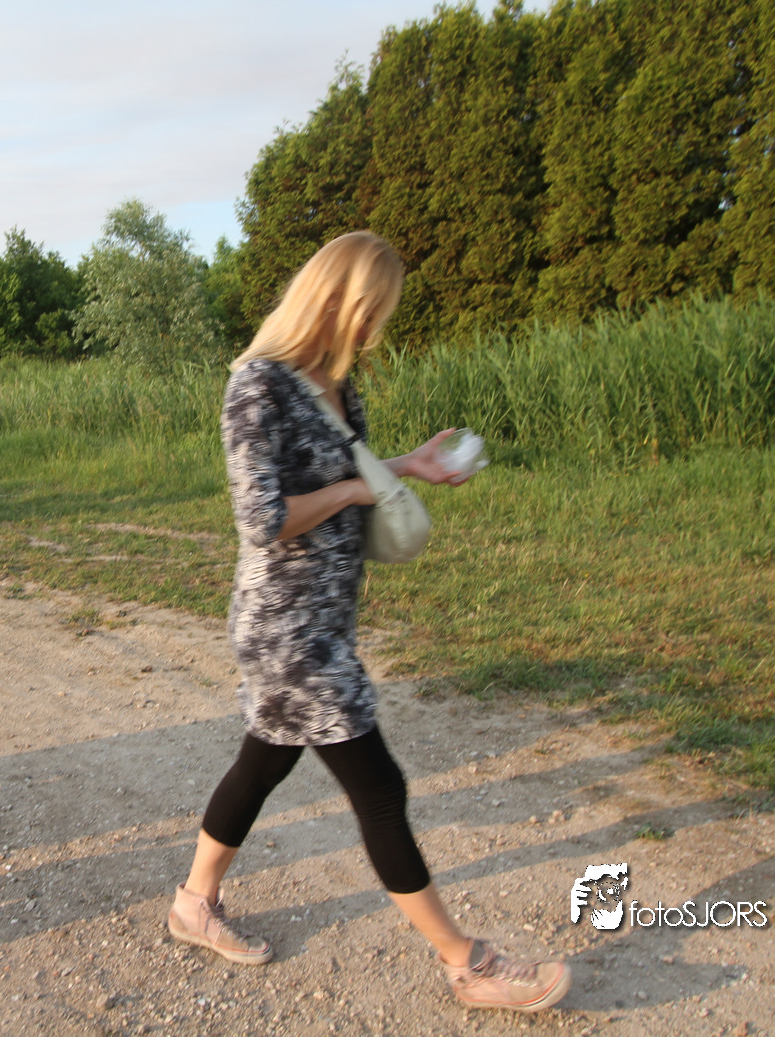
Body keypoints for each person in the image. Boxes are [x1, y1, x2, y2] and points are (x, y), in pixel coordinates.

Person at [166, 232, 570, 1013]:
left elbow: (347, 473)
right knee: (380, 788)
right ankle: (467, 963)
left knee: (263, 762)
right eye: (368, 309)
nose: (373, 328)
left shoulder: (336, 386)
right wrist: (358, 490)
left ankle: (192, 901)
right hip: (285, 629)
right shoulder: (258, 384)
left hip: (328, 619)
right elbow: (261, 518)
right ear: (334, 298)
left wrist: (404, 466)